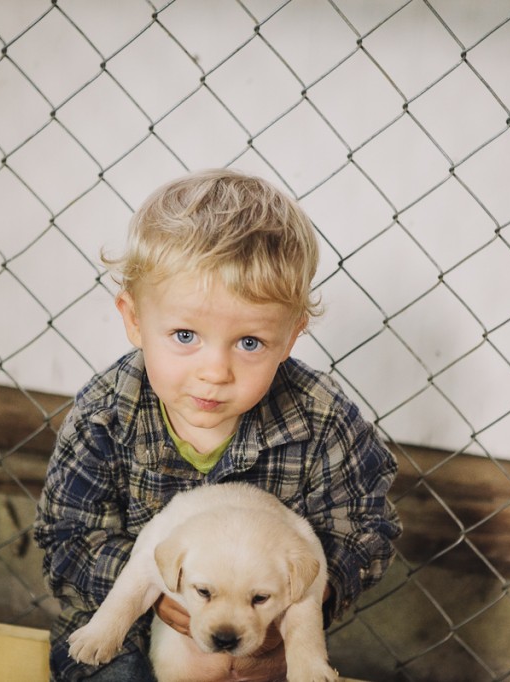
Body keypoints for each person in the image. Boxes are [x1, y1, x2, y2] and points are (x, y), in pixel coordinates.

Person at [34, 168, 402, 681]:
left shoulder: (322, 418)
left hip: (267, 637)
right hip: (120, 634)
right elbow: (67, 535)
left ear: (291, 336)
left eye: (249, 343)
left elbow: (366, 529)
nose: (215, 371)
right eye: (185, 334)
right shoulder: (106, 414)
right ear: (135, 319)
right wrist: (159, 594)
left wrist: (296, 611)